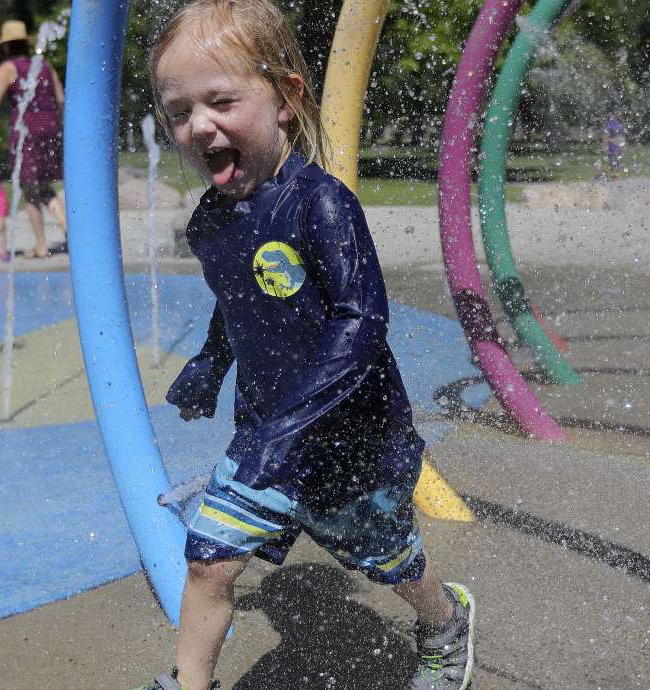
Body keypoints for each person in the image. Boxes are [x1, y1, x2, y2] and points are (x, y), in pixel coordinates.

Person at [138, 2, 475, 689]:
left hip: (354, 438)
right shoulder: (211, 223)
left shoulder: (320, 205)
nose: (199, 125)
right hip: (267, 437)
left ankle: (444, 621)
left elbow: (361, 321)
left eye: (221, 101)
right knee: (209, 559)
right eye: (179, 112)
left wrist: (289, 422)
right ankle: (186, 683)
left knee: (386, 558)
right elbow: (237, 302)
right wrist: (211, 362)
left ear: (287, 98)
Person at [0, 19, 67, 259]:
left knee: (30, 189)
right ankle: (67, 227)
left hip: (26, 133)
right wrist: (58, 128)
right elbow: (61, 100)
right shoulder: (44, 65)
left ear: (7, 46)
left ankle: (41, 245)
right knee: (44, 186)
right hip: (51, 129)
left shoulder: (7, 68)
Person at [604, 109, 627, 179]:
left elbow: (621, 135)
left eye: (620, 114)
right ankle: (613, 176)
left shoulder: (620, 124)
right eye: (618, 113)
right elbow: (607, 134)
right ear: (615, 114)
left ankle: (616, 176)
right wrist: (605, 144)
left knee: (617, 161)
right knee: (612, 161)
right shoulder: (610, 123)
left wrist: (624, 145)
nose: (620, 115)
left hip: (618, 144)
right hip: (611, 144)